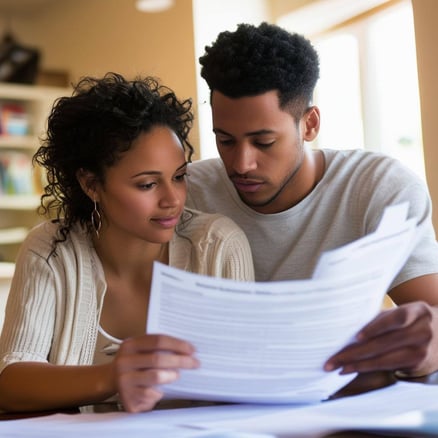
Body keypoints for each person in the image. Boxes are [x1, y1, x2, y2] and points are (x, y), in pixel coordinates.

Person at [186, 22, 438, 379]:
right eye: (225, 141)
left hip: (349, 401)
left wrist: (430, 341)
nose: (241, 163)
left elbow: (432, 313)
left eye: (263, 142)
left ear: (310, 124)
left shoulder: (379, 187)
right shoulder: (187, 191)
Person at [0, 72, 254, 413]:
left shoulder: (217, 245)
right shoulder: (51, 249)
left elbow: (248, 380)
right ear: (91, 184)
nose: (173, 200)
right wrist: (112, 377)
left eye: (179, 177)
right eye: (147, 184)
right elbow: (10, 382)